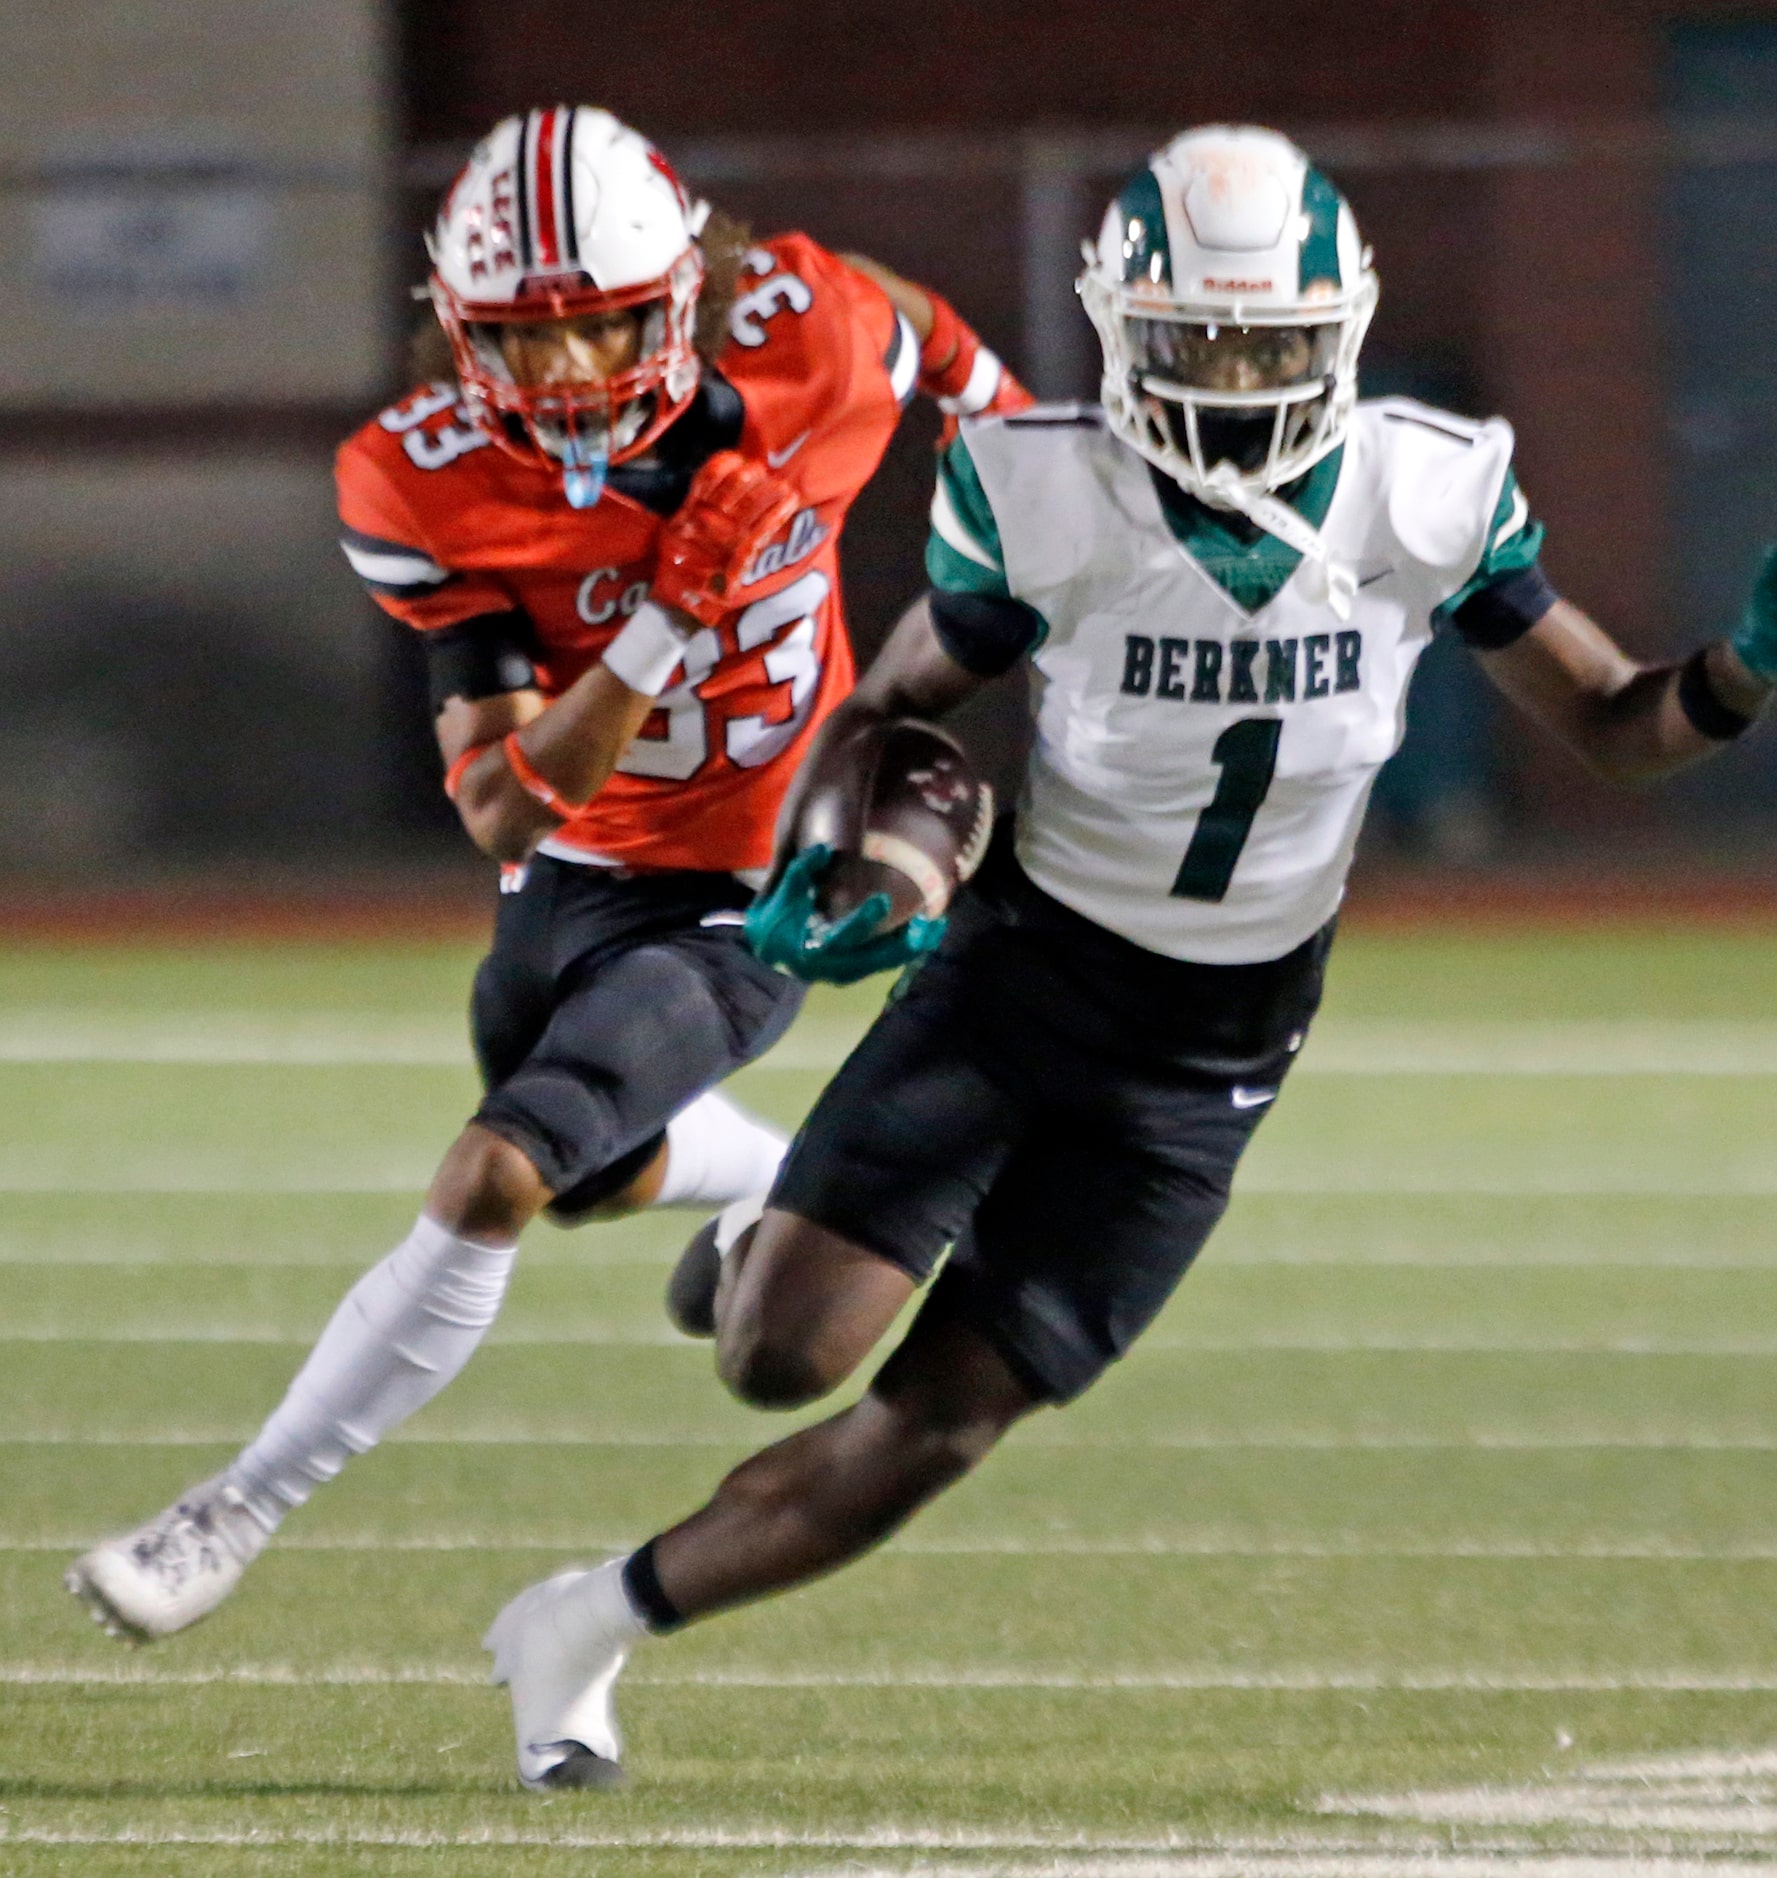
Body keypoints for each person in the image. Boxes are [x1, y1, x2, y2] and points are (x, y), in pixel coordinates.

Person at [478, 124, 1777, 1792]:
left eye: (1267, 346)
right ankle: (759, 1234)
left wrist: (1737, 670)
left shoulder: (1422, 487)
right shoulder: (1047, 488)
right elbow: (887, 711)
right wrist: (852, 858)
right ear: (1119, 327)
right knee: (772, 1357)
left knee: (936, 1426)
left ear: (1342, 331)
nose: (1233, 381)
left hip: (1215, 1048)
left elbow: (1615, 723)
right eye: (1196, 344)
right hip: (1023, 971)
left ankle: (584, 1622)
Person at [65, 103, 1029, 1643]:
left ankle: (228, 1512)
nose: (564, 379)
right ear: (456, 331)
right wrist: (665, 613)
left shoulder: (810, 344)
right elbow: (509, 811)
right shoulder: (421, 475)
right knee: (593, 1164)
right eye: (519, 342)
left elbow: (902, 317)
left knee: (497, 1169)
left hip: (753, 877)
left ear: (686, 294)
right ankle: (787, 1183)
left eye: (598, 333)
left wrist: (1017, 444)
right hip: (573, 864)